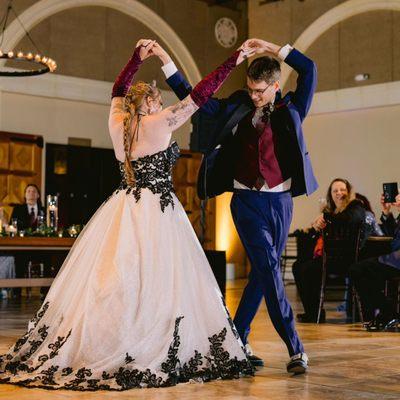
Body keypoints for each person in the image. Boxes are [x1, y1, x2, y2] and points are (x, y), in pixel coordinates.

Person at [0, 39, 255, 390]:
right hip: (159, 213)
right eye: (155, 97)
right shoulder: (162, 123)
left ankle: (113, 336)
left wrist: (136, 57)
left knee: (119, 278)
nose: (160, 101)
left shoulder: (118, 121)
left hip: (124, 207)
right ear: (147, 102)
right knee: (158, 279)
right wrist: (234, 58)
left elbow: (118, 88)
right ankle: (143, 339)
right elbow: (202, 93)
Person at [160, 38, 317, 373]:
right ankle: (296, 349)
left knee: (263, 274)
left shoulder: (292, 109)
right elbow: (197, 99)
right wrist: (167, 64)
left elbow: (309, 68)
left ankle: (237, 338)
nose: (253, 96)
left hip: (280, 203)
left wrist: (273, 48)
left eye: (260, 91)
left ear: (275, 85)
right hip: (245, 201)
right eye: (249, 89)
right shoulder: (237, 105)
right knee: (270, 269)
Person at [293, 178, 367, 323]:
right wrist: (316, 227)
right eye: (335, 190)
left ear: (349, 191)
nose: (339, 193)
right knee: (298, 266)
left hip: (346, 259)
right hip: (330, 258)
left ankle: (315, 313)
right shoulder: (332, 212)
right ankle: (313, 312)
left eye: (343, 189)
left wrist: (325, 217)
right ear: (331, 195)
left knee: (308, 269)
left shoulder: (356, 205)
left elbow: (350, 219)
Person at [350, 193, 400, 329]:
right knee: (359, 270)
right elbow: (392, 235)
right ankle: (386, 313)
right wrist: (386, 212)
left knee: (359, 270)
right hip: (394, 257)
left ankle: (387, 313)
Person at [9, 184, 45, 298]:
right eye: (28, 191)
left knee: (50, 256)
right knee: (19, 258)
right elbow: (12, 226)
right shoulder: (18, 209)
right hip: (23, 246)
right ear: (25, 195)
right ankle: (17, 292)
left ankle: (46, 291)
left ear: (38, 195)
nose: (31, 193)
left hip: (41, 247)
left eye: (34, 191)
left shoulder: (44, 210)